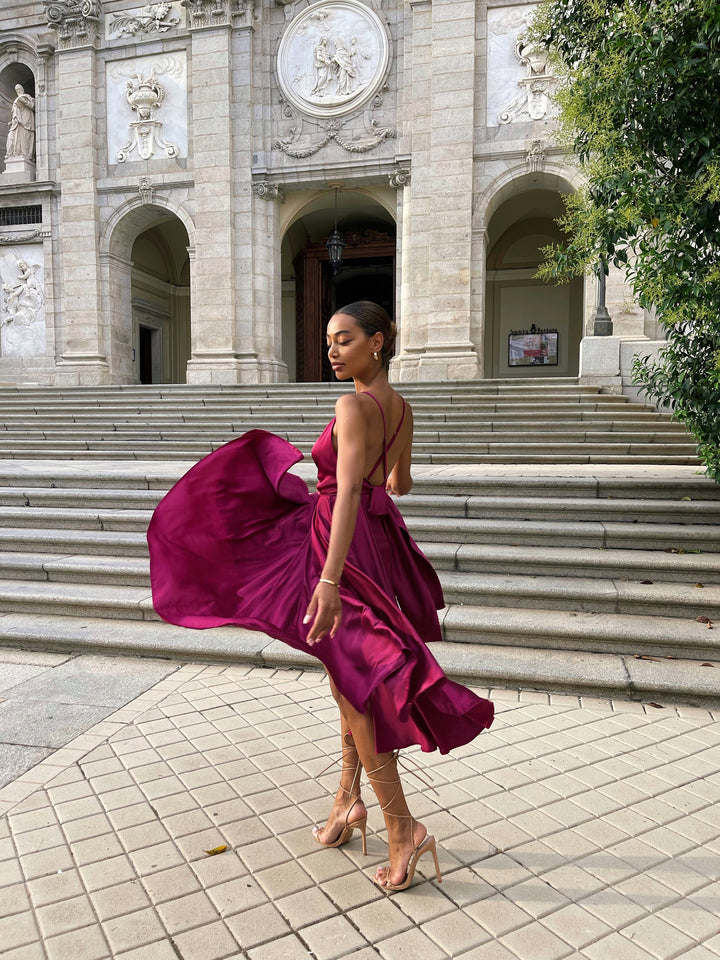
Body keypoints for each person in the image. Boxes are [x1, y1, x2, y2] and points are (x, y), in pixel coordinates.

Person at [147, 301, 494, 891]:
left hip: (342, 548)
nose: (332, 350)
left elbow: (355, 494)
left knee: (357, 686)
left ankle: (402, 828)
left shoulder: (352, 404)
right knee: (347, 678)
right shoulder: (402, 408)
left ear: (378, 342)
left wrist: (330, 582)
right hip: (373, 543)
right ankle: (346, 803)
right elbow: (398, 484)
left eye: (346, 340)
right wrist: (366, 471)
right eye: (329, 340)